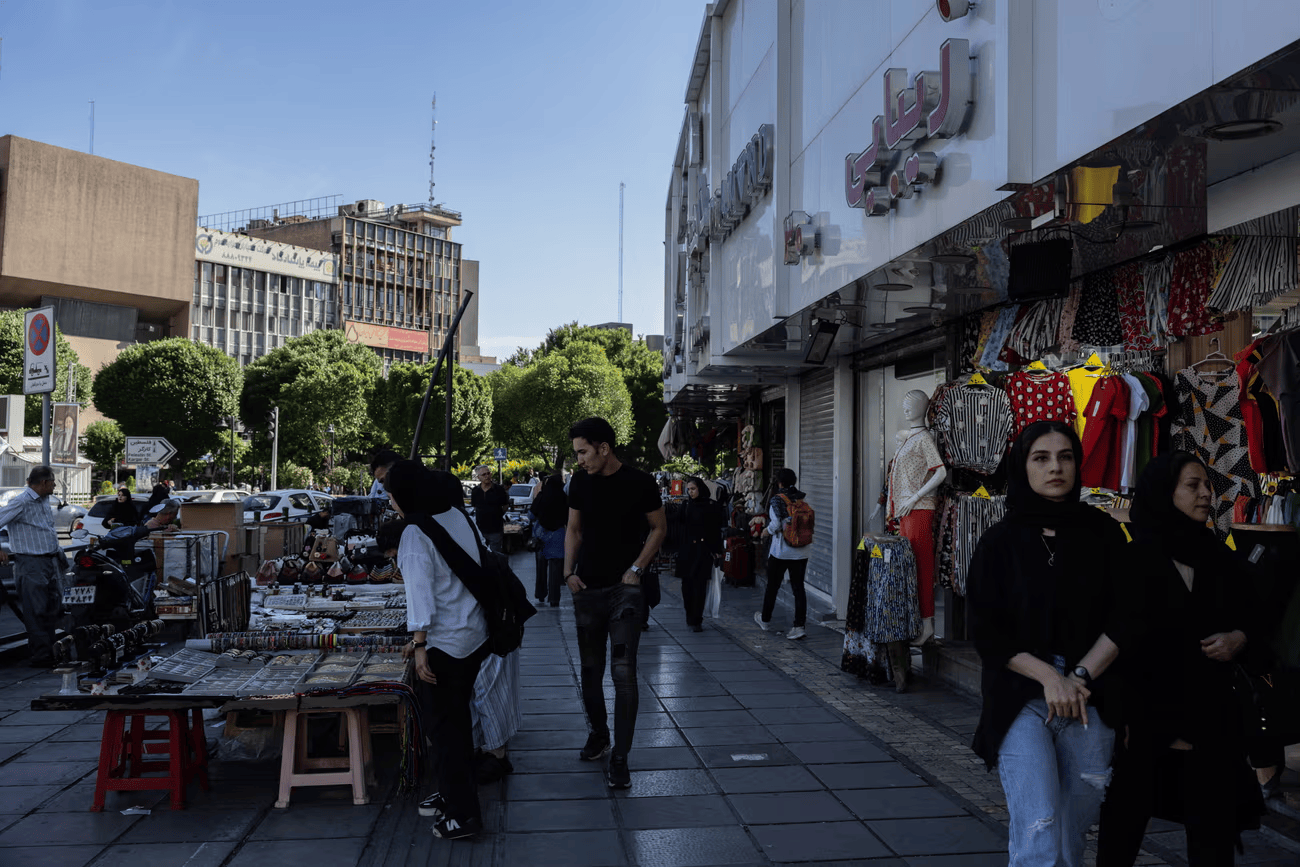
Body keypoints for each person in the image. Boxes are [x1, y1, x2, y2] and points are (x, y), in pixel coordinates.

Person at [967, 420, 1133, 867]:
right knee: (1038, 828)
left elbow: (1127, 616)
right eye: (1041, 458)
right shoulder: (999, 542)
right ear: (1023, 466)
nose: (1055, 467)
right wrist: (1049, 678)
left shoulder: (1103, 534)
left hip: (1089, 697)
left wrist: (1077, 677)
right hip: (1021, 696)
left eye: (1065, 457)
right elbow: (985, 630)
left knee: (1070, 836)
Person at [1096, 453, 1264, 866]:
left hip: (1211, 723)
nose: (1207, 493)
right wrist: (1126, 717)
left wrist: (1238, 638)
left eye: (1207, 485)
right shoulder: (1132, 560)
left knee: (1212, 840)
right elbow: (1113, 642)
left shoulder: (1219, 557)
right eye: (1193, 485)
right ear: (1164, 492)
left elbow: (1256, 618)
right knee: (1122, 834)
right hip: (1148, 723)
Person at [383, 461, 489, 840]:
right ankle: (453, 793)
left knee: (446, 731)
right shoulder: (456, 515)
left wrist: (419, 644)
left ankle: (464, 815)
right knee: (456, 722)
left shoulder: (414, 532)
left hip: (446, 643)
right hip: (474, 634)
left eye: (391, 493)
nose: (391, 500)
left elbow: (420, 597)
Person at [564, 417, 667, 789]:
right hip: (587, 589)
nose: (579, 460)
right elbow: (573, 530)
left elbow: (660, 527)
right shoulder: (578, 482)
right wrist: (567, 574)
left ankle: (620, 758)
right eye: (577, 453)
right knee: (590, 671)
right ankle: (599, 735)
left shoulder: (639, 483)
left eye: (583, 452)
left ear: (603, 448)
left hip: (625, 591)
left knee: (623, 674)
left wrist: (637, 568)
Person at [0, 467, 64, 667]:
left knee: (52, 608)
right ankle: (41, 655)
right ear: (44, 483)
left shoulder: (43, 500)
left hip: (49, 562)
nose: (55, 485)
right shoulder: (21, 501)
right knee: (36, 610)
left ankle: (51, 651)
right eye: (53, 482)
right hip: (30, 563)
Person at [754, 468, 812, 640]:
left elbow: (777, 524)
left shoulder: (777, 500)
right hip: (802, 551)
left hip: (781, 551)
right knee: (798, 588)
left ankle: (765, 620)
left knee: (772, 586)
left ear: (779, 482)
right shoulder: (801, 498)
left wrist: (766, 531)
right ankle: (799, 626)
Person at [679, 476, 723, 632]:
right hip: (686, 551)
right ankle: (690, 616)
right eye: (689, 489)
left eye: (693, 488)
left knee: (699, 585)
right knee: (687, 586)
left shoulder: (711, 506)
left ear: (700, 488)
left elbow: (715, 531)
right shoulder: (685, 505)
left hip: (703, 551)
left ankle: (697, 619)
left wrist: (717, 551)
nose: (691, 492)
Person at [530, 474, 568, 606]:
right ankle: (554, 598)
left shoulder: (541, 496)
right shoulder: (564, 498)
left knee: (541, 567)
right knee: (555, 570)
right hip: (558, 535)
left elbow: (530, 515)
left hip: (542, 535)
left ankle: (540, 594)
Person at [470, 465, 509, 553]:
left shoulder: (499, 489)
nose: (487, 476)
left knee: (496, 554)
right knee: (482, 554)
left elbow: (505, 505)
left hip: (495, 528)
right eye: (484, 474)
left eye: (488, 473)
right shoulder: (475, 491)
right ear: (478, 477)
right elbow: (475, 506)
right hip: (481, 528)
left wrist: (498, 514)